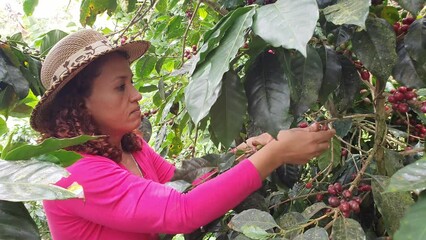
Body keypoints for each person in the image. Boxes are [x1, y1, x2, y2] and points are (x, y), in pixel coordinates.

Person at [30, 29, 335, 240]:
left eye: (131, 83)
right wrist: (275, 154)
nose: (136, 95)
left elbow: (184, 185)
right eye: (120, 86)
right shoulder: (70, 174)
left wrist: (247, 151)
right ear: (79, 104)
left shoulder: (129, 145)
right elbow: (181, 210)